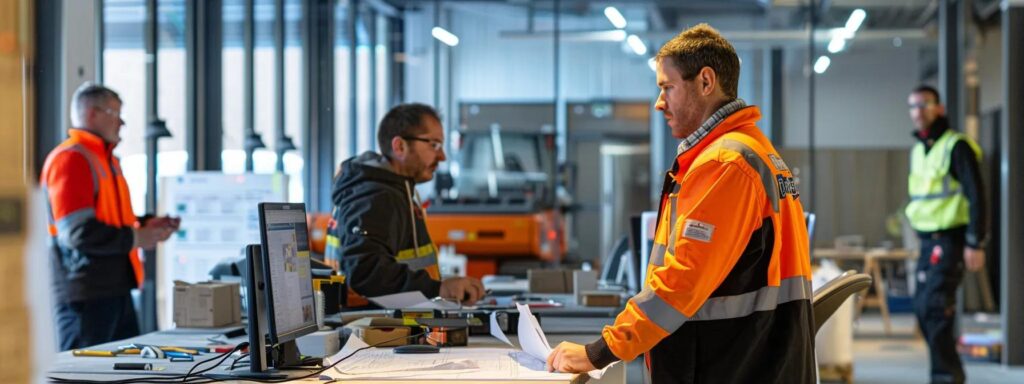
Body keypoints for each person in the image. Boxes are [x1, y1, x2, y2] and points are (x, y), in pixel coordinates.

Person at [546, 24, 815, 383]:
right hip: (757, 358)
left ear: (706, 82)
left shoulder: (725, 163)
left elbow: (682, 280)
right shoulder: (754, 152)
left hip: (731, 365)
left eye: (667, 87)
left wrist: (599, 352)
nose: (659, 103)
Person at [41, 83, 180, 351]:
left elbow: (111, 221)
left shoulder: (106, 160)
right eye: (114, 112)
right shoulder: (71, 160)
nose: (122, 122)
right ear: (92, 114)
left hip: (115, 288)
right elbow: (78, 233)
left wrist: (144, 225)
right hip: (86, 295)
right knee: (84, 376)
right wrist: (137, 237)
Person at [326, 103, 484, 305]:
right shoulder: (376, 197)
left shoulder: (393, 190)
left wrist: (439, 287)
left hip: (387, 323)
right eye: (433, 145)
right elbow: (365, 272)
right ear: (399, 146)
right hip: (372, 328)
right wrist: (438, 289)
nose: (442, 156)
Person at [905, 85, 986, 384]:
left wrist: (975, 241)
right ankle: (948, 373)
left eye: (924, 104)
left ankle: (946, 377)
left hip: (951, 239)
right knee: (923, 308)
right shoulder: (918, 150)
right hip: (927, 242)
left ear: (939, 108)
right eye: (913, 106)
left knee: (936, 308)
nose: (918, 111)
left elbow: (977, 195)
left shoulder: (956, 146)